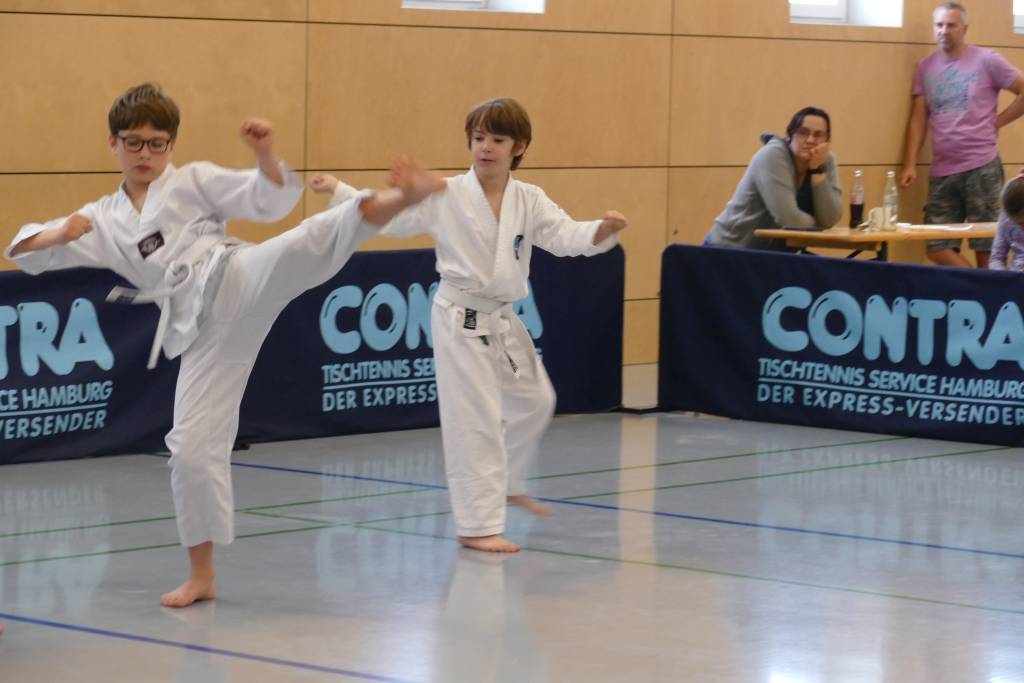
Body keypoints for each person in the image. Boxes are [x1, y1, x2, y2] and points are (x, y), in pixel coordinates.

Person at [5, 83, 445, 607]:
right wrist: (59, 235)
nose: (145, 153)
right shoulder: (100, 219)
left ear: (171, 145)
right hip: (200, 329)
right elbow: (22, 248)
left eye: (157, 143)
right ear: (113, 143)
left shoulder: (193, 181)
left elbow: (269, 198)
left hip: (236, 274)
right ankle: (203, 575)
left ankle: (405, 196)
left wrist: (264, 153)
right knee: (191, 449)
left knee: (308, 238)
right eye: (134, 142)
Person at [313, 97, 627, 553]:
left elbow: (563, 235)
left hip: (502, 319)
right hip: (459, 319)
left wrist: (601, 230)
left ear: (519, 146)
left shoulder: (528, 199)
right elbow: (392, 216)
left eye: (497, 139)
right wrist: (340, 189)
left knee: (536, 400)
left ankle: (509, 482)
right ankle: (477, 525)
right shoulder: (447, 194)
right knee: (474, 423)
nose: (486, 147)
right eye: (478, 138)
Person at [899, 2, 1024, 269]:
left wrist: (998, 121)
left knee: (987, 248)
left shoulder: (986, 60)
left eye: (951, 25)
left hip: (982, 166)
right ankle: (977, 285)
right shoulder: (925, 67)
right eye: (939, 25)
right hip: (943, 170)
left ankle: (986, 289)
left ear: (964, 29)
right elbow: (918, 118)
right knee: (936, 246)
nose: (944, 31)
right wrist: (910, 163)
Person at [703, 107, 842, 250]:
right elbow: (789, 219)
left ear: (827, 141)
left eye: (818, 135)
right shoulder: (772, 155)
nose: (810, 140)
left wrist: (816, 170)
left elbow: (830, 218)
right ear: (790, 135)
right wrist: (819, 226)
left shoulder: (826, 161)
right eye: (803, 132)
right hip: (729, 249)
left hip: (772, 254)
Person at [989, 175, 1024, 271]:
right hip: (1016, 275)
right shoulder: (1006, 217)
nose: (1022, 228)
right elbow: (996, 259)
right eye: (1017, 223)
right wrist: (1003, 275)